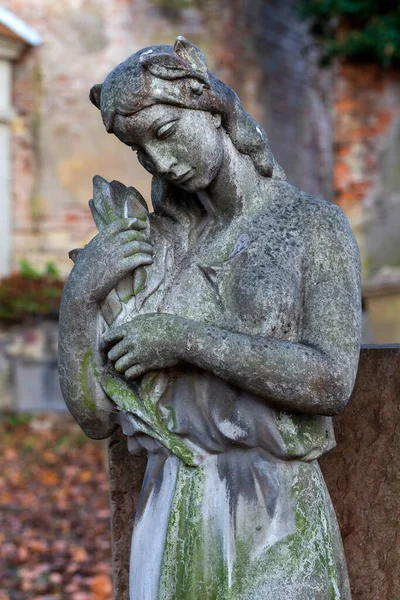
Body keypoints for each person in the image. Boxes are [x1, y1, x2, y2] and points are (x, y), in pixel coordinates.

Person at [59, 37, 361, 599]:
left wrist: (186, 341)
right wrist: (79, 299)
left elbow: (332, 380)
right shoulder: (155, 247)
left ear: (209, 107)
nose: (161, 163)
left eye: (167, 134)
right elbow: (98, 416)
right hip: (170, 505)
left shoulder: (311, 228)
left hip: (276, 514)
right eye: (141, 151)